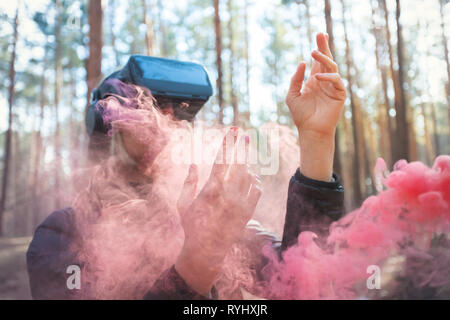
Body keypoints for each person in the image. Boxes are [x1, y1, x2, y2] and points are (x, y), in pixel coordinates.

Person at [26, 33, 346, 299]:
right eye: (149, 106)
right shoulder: (64, 234)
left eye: (179, 112)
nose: (167, 123)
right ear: (107, 126)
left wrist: (317, 142)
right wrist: (196, 263)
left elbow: (302, 286)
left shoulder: (212, 218)